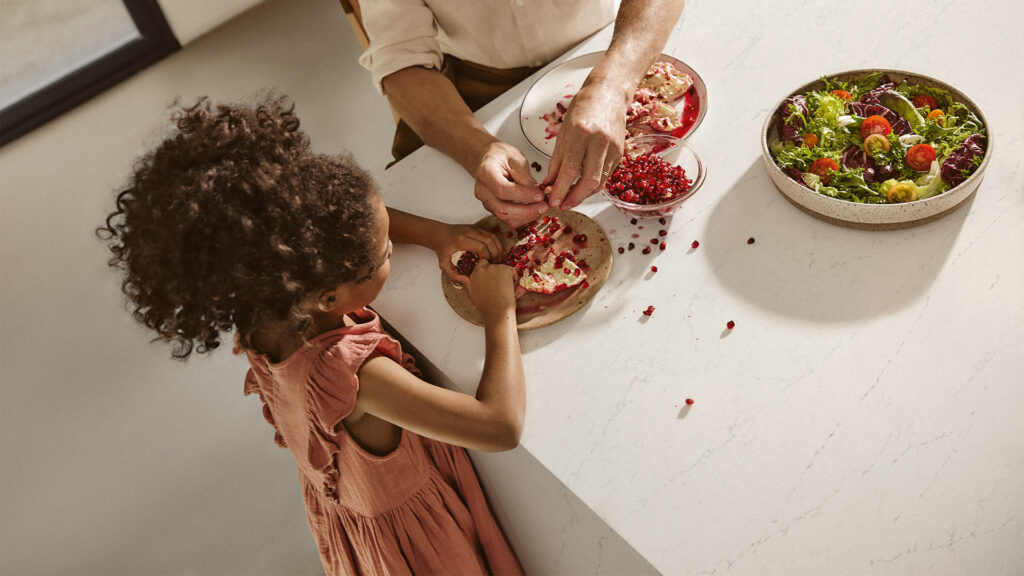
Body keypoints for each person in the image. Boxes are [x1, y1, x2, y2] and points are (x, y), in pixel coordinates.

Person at [100, 97, 525, 575]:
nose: (391, 248)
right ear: (329, 297)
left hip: (355, 517)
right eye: (384, 255)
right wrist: (499, 311)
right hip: (423, 549)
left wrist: (438, 235)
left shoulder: (263, 301)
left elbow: (362, 223)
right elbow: (499, 427)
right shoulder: (356, 377)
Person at [359, 0, 686, 227]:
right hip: (477, 87)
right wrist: (477, 150)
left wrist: (611, 86)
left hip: (616, 47)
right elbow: (399, 59)